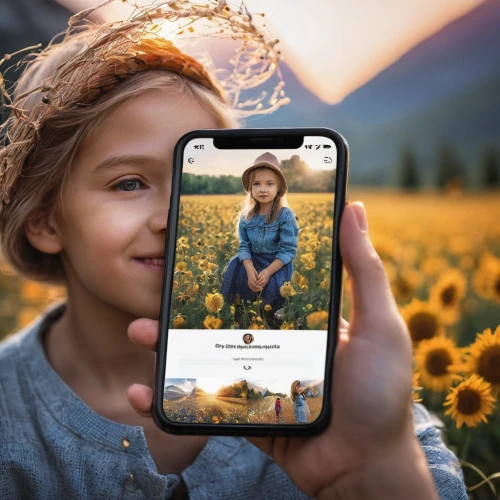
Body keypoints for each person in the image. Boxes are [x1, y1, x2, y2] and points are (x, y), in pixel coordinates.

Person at [0, 2, 468, 499]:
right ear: (44, 222)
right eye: (131, 182)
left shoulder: (349, 407)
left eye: (189, 176)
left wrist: (376, 471)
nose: (171, 216)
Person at [220, 152, 299, 313]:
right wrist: (249, 269)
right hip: (252, 261)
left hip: (275, 265)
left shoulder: (285, 215)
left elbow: (288, 250)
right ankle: (240, 314)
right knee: (238, 272)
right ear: (250, 188)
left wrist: (268, 272)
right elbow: (244, 246)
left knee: (270, 299)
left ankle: (269, 316)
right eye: (256, 184)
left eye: (270, 184)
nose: (263, 189)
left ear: (279, 188)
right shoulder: (246, 216)